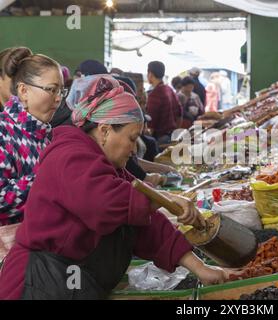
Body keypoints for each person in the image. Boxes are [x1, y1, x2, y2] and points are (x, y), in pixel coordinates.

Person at [0, 76, 229, 300]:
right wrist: (163, 199)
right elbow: (105, 203)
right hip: (37, 284)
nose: (133, 150)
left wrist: (200, 268)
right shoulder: (68, 155)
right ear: (105, 130)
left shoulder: (107, 167)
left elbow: (143, 225)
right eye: (132, 138)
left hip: (71, 282)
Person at [0, 47, 64, 226]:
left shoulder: (45, 136)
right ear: (23, 91)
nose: (58, 98)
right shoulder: (3, 131)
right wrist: (51, 178)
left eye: (61, 91)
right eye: (52, 89)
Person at [146, 61, 183, 145]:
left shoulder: (154, 94)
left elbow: (151, 125)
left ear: (150, 74)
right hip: (171, 136)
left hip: (160, 139)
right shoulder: (169, 89)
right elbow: (180, 113)